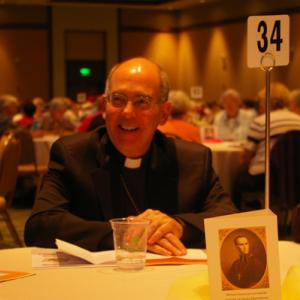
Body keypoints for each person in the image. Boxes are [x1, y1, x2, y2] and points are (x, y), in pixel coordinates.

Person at [24, 57, 237, 256]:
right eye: (117, 99)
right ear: (104, 108)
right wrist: (126, 235)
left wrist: (179, 226)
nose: (127, 112)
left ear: (164, 113)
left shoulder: (193, 159)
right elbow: (40, 225)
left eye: (142, 101)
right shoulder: (73, 154)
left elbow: (229, 219)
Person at [234, 82, 300, 209]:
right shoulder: (298, 120)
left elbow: (245, 158)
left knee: (238, 176)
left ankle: (240, 219)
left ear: (264, 102)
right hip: (296, 178)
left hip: (266, 178)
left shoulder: (261, 121)